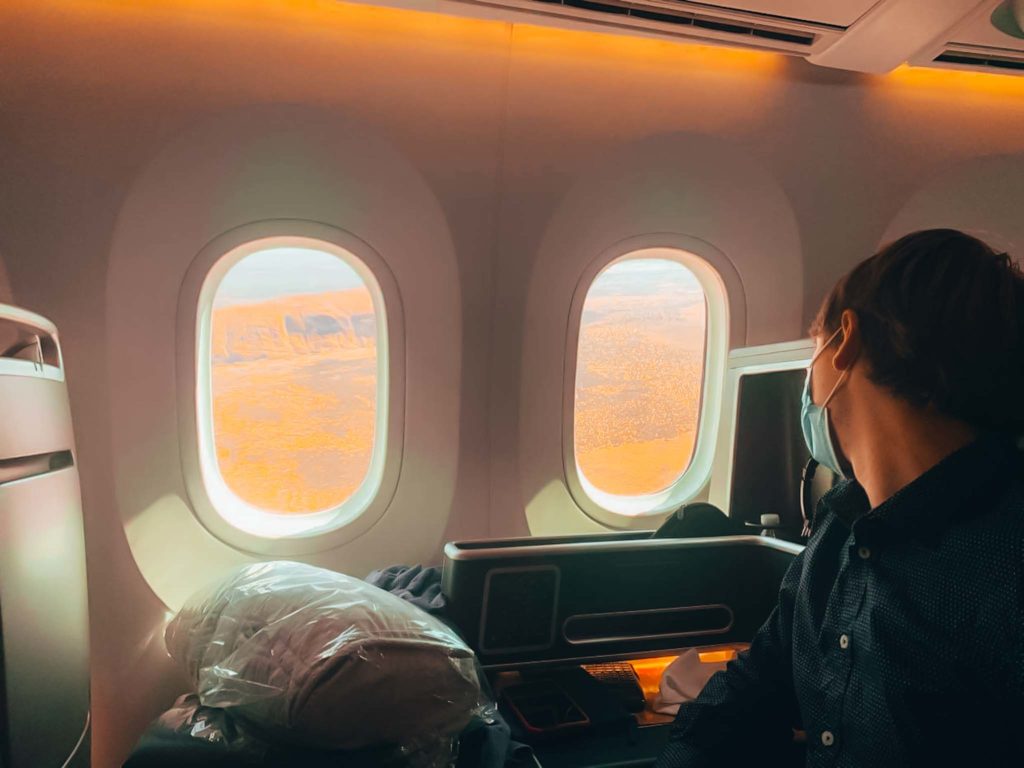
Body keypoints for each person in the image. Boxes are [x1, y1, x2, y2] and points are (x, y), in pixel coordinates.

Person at [655, 229, 1024, 767]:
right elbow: (747, 695)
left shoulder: (1006, 566)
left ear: (845, 340)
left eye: (814, 342)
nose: (809, 373)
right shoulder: (841, 532)